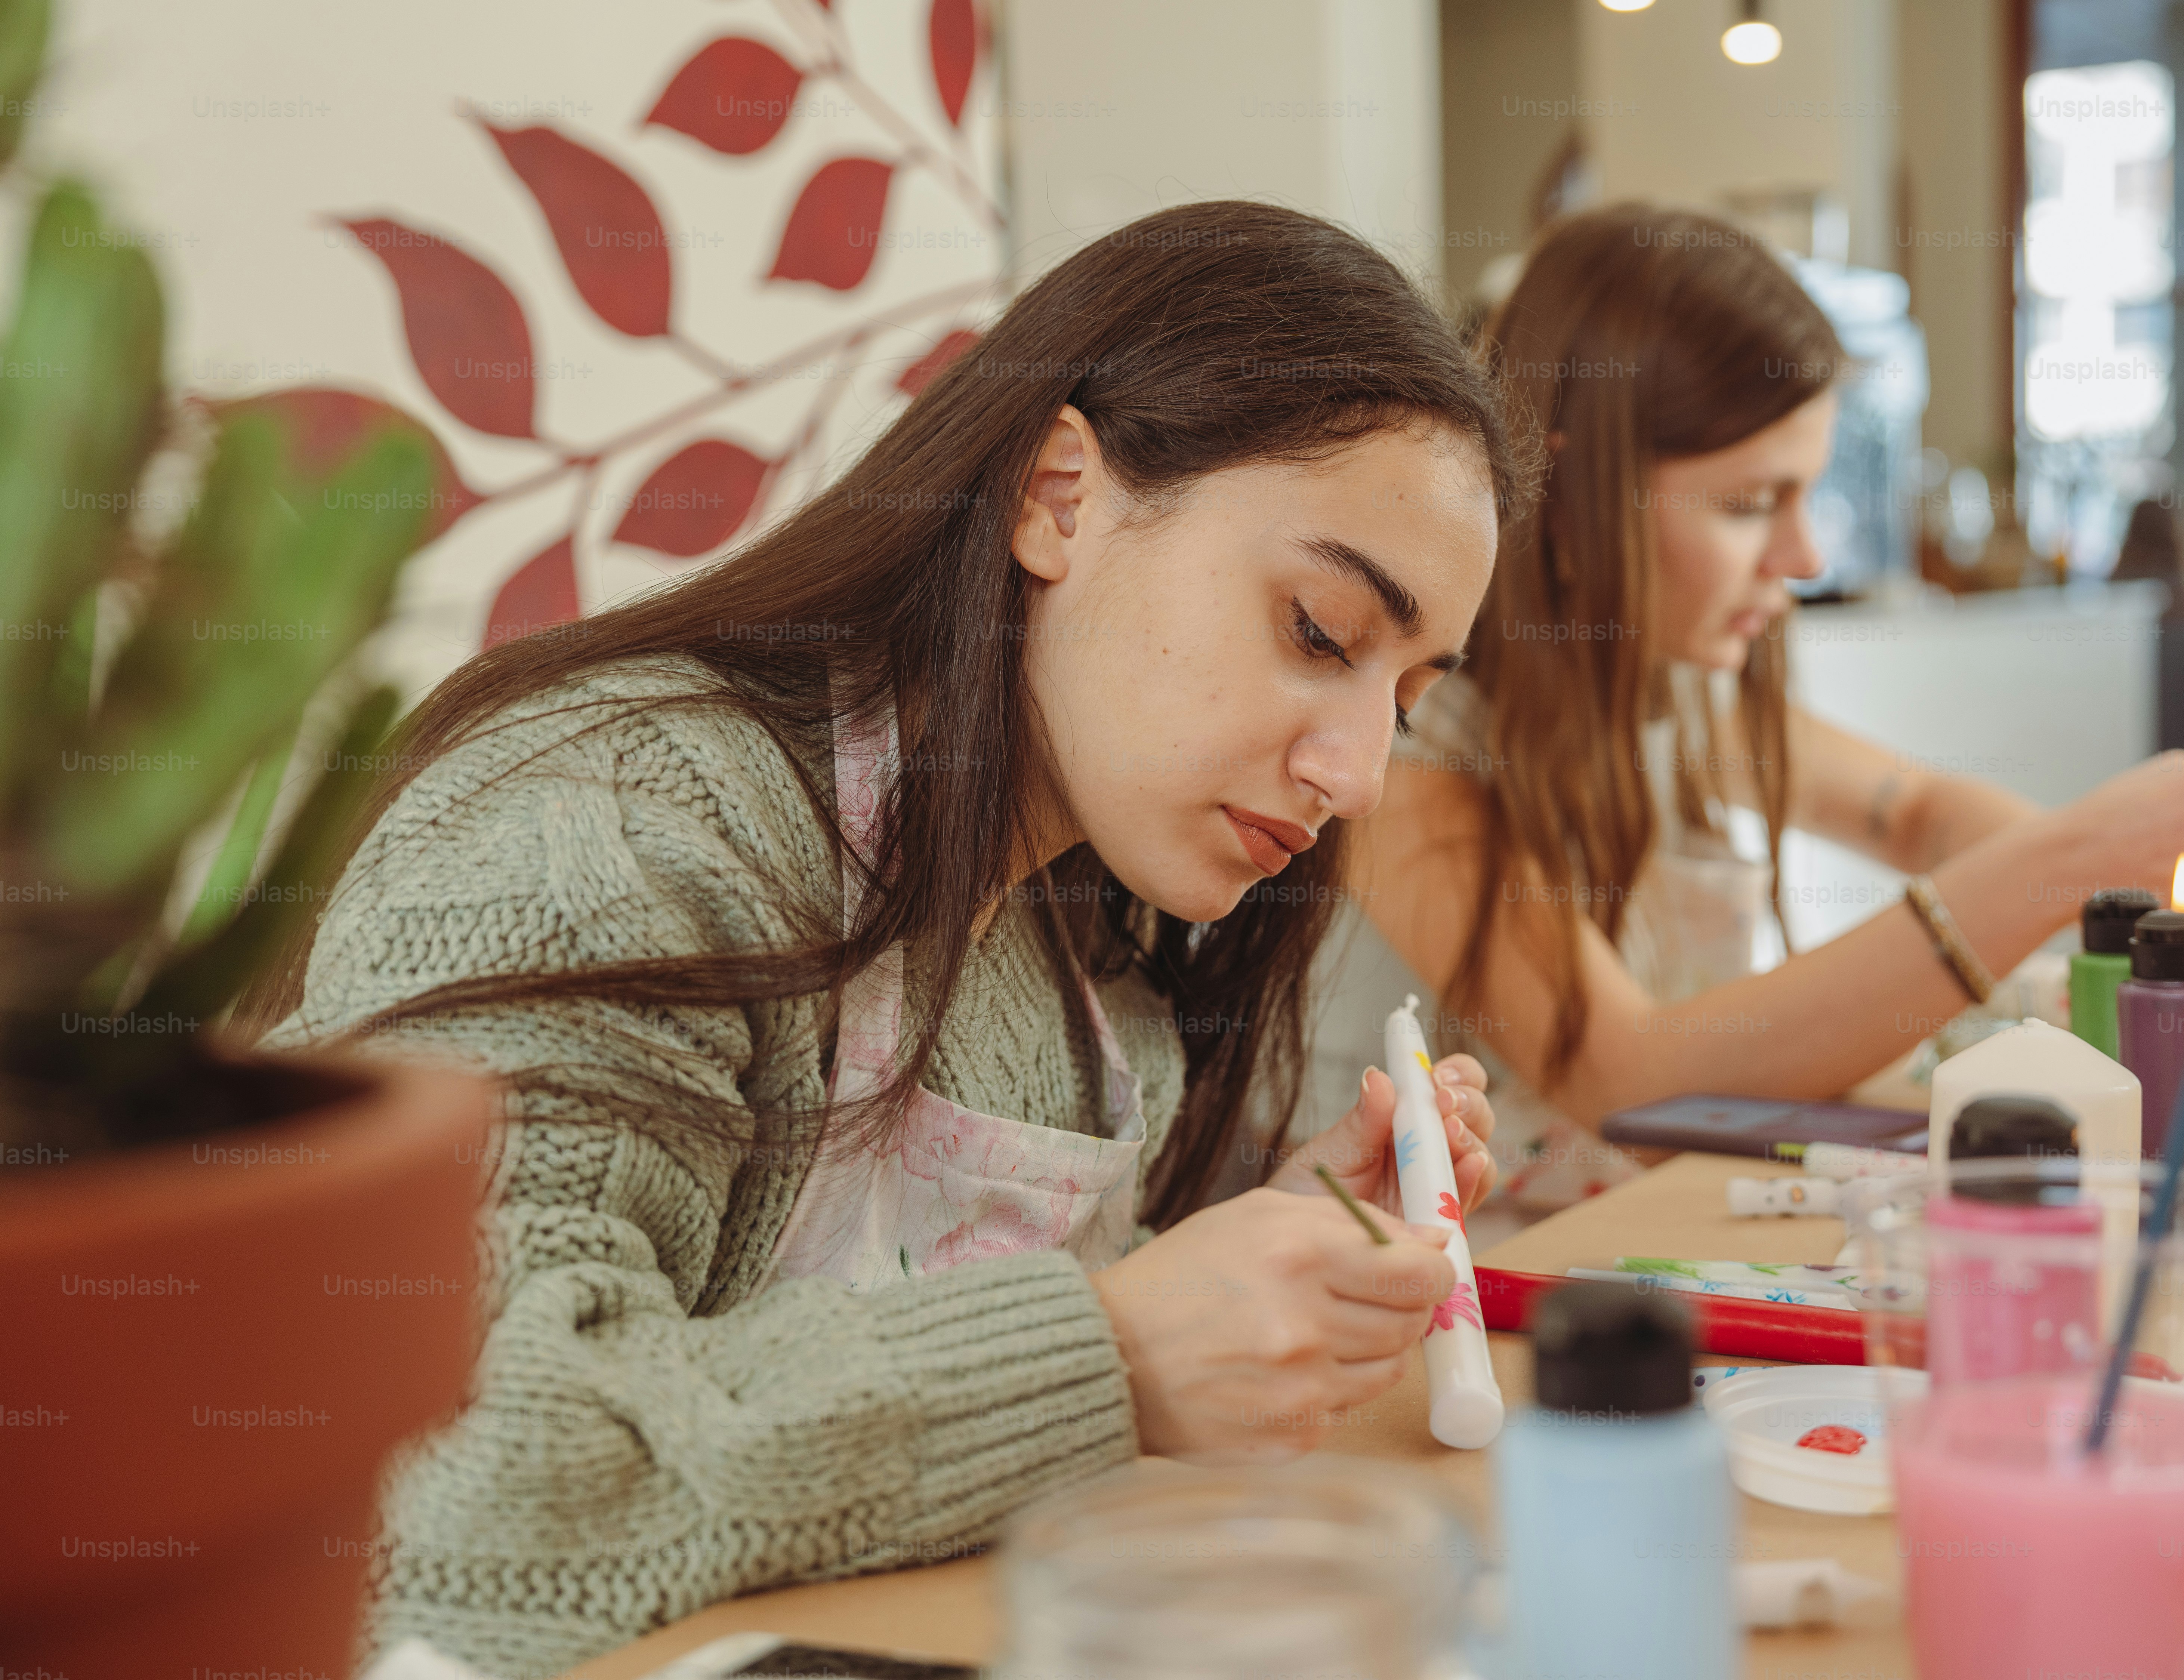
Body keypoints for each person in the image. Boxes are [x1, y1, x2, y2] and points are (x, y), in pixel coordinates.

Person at [249, 201, 1522, 1680]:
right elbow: (444, 1474)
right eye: (1317, 630)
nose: (1359, 773)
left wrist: (1273, 1263)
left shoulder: (1074, 966)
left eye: (1411, 695)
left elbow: (902, 1397)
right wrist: (1111, 1354)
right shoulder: (607, 815)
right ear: (1059, 495)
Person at [1287, 204, 2184, 1214]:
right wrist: (2071, 857)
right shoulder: (1410, 754)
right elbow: (1634, 1084)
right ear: (1571, 494)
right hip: (1453, 1307)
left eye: (1806, 496)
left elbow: (1916, 813)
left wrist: (2151, 900)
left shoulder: (1678, 698)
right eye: (1753, 505)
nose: (1804, 558)